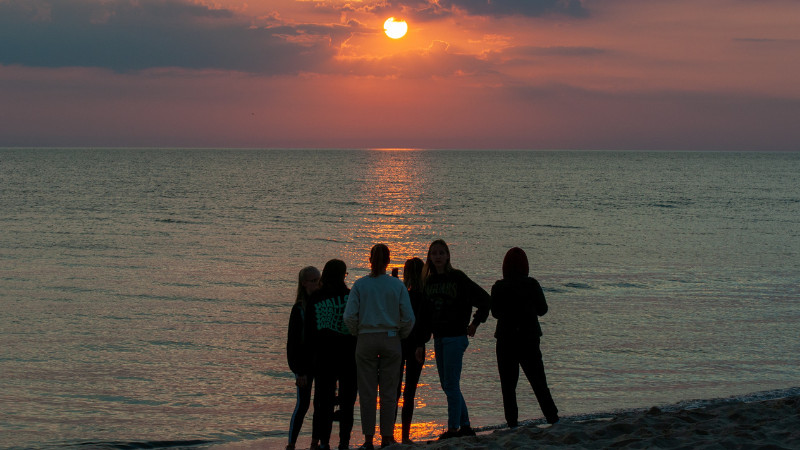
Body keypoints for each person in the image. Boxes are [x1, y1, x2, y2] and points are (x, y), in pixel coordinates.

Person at [343, 244, 415, 450]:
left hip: (365, 338)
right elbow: (409, 318)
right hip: (391, 337)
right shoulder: (397, 285)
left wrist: (358, 332)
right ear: (388, 261)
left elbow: (349, 316)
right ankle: (386, 436)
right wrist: (400, 334)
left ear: (370, 260)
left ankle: (367, 439)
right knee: (389, 390)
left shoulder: (360, 285)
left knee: (367, 391)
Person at [421, 239, 490, 440]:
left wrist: (475, 324)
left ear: (448, 255)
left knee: (451, 384)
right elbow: (424, 313)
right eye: (434, 253)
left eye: (442, 253)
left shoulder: (458, 278)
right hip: (439, 338)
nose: (438, 256)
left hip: (455, 337)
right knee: (447, 385)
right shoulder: (430, 282)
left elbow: (485, 300)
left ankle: (453, 430)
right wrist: (420, 342)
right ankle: (465, 426)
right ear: (429, 257)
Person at [490, 247, 559, 427]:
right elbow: (543, 309)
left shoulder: (498, 286)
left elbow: (495, 312)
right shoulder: (532, 284)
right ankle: (552, 418)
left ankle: (512, 423)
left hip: (506, 340)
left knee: (508, 387)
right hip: (529, 338)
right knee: (539, 383)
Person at [305, 259, 358, 450]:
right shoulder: (351, 296)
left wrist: (308, 360)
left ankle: (324, 442)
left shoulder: (315, 298)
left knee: (323, 402)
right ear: (344, 275)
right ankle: (344, 442)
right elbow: (357, 325)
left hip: (323, 357)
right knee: (348, 401)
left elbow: (309, 330)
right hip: (348, 356)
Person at [395, 257, 432, 444]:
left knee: (395, 391)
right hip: (418, 345)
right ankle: (405, 436)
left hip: (401, 345)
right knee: (409, 392)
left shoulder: (402, 295)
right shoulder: (425, 295)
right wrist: (420, 342)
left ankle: (389, 434)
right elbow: (426, 326)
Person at [286, 266, 321, 450]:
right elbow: (292, 343)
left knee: (320, 404)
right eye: (314, 280)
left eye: (319, 280)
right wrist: (298, 370)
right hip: (304, 366)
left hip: (320, 363)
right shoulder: (298, 309)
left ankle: (315, 442)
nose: (317, 284)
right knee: (303, 404)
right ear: (304, 282)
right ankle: (291, 444)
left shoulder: (321, 304)